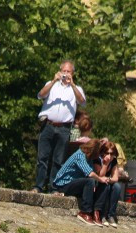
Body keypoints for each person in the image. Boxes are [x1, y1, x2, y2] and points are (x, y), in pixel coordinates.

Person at [32, 60, 86, 193]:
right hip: (48, 125)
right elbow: (41, 95)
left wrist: (72, 85)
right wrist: (53, 81)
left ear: (72, 74)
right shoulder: (51, 85)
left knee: (58, 159)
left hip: (64, 128)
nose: (66, 74)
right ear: (60, 71)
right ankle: (38, 186)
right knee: (42, 158)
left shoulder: (76, 89)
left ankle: (54, 188)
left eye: (69, 72)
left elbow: (82, 102)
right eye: (64, 71)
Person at [53, 139, 117, 226]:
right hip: (64, 185)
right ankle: (85, 212)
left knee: (101, 184)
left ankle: (97, 212)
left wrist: (100, 180)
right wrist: (100, 179)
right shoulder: (79, 155)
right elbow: (89, 173)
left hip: (75, 184)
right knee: (90, 181)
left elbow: (93, 174)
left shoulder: (89, 158)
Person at [92, 140, 123, 227]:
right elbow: (100, 175)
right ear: (102, 152)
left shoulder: (113, 161)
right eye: (107, 153)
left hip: (106, 182)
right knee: (106, 186)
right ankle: (101, 214)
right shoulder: (97, 159)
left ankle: (110, 215)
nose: (109, 156)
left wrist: (108, 179)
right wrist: (105, 164)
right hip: (96, 183)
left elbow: (115, 178)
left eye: (112, 153)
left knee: (117, 187)